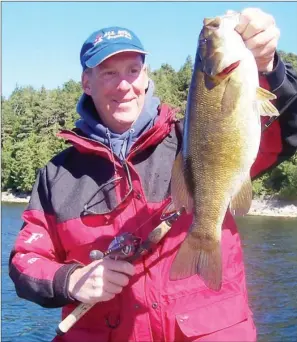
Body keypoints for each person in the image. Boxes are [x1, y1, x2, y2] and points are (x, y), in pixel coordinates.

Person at [9, 7, 297, 342]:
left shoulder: (191, 138)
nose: (124, 85)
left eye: (133, 70)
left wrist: (270, 68)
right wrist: (71, 280)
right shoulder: (57, 175)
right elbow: (24, 263)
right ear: (86, 82)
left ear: (147, 76)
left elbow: (286, 131)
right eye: (108, 73)